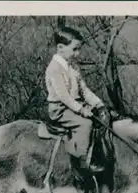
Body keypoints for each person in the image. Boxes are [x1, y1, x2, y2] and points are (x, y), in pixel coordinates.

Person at [45, 26, 105, 173]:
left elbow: (84, 90)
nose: (78, 54)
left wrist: (98, 104)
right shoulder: (54, 68)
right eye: (75, 49)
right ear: (60, 48)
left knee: (103, 120)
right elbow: (63, 96)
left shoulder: (73, 66)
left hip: (75, 105)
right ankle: (82, 163)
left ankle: (98, 154)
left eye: (79, 49)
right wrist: (82, 110)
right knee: (86, 124)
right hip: (59, 109)